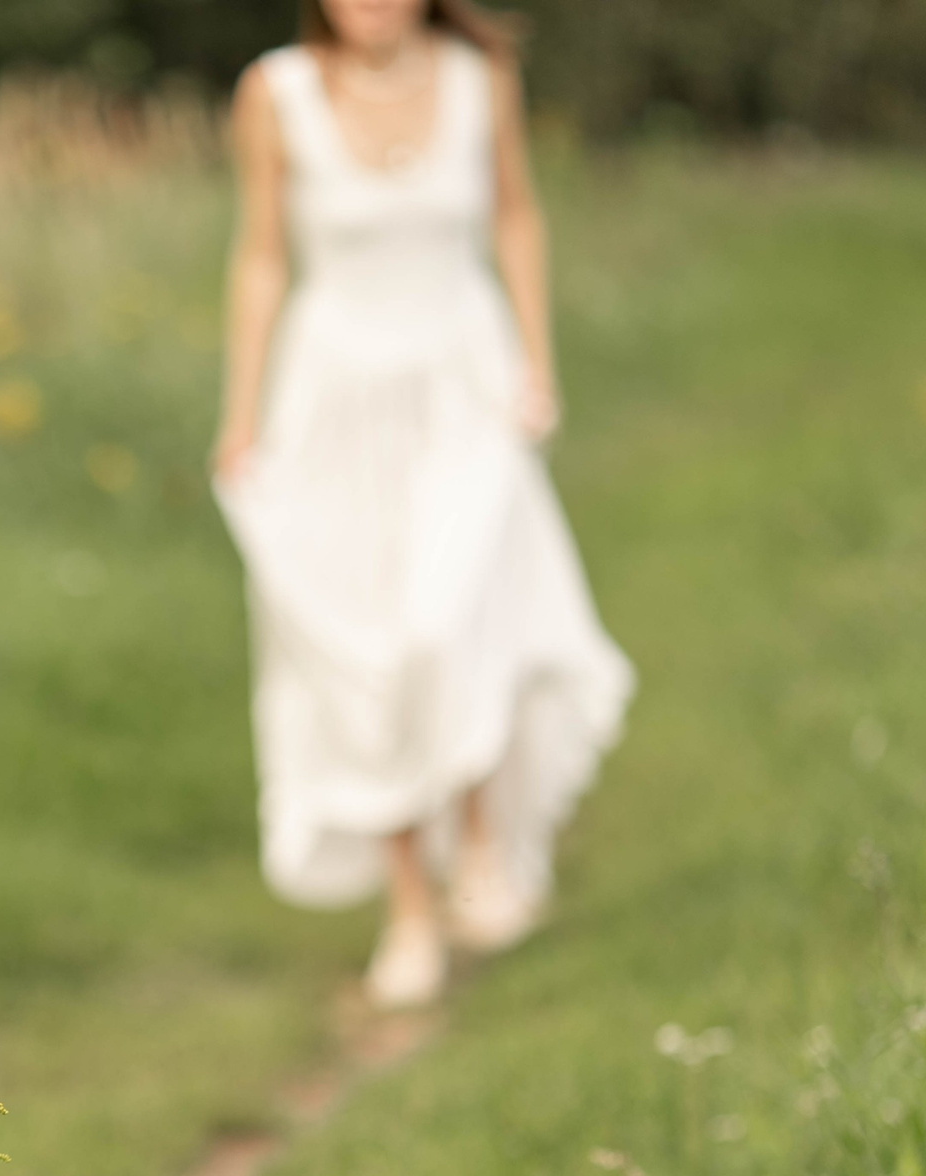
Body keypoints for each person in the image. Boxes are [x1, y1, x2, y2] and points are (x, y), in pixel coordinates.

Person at [211, 0, 635, 1009]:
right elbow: (262, 256)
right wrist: (240, 414)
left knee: (448, 617)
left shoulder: (480, 76)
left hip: (460, 383)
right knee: (367, 647)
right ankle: (409, 901)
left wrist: (536, 361)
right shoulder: (274, 94)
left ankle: (480, 842)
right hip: (331, 399)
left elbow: (514, 216)